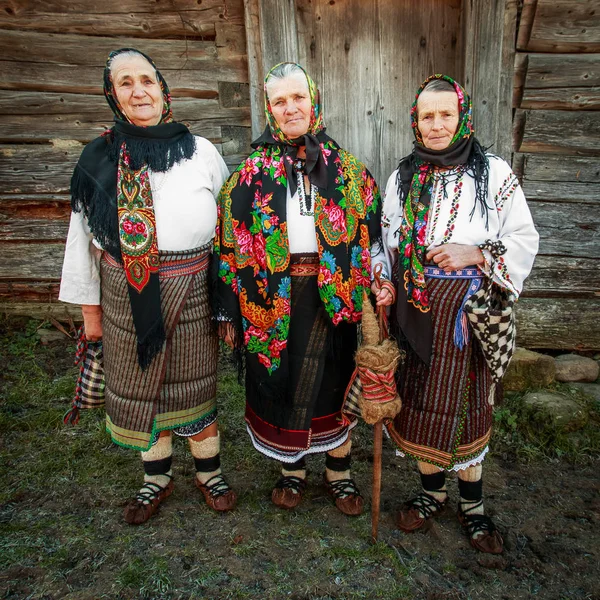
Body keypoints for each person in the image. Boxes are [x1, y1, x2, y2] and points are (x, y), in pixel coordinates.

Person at [59, 48, 236, 524]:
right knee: (143, 390)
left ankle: (209, 473)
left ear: (163, 89)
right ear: (112, 95)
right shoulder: (97, 159)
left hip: (194, 289)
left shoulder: (200, 151)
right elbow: (81, 244)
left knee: (195, 385)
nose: (138, 91)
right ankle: (155, 478)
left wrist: (227, 302)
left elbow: (229, 230)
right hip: (124, 295)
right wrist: (91, 318)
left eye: (146, 80)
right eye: (125, 83)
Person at [373, 74, 538, 553]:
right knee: (423, 406)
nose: (438, 124)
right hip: (416, 316)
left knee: (466, 412)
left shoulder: (494, 174)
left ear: (462, 115)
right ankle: (431, 494)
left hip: (470, 316)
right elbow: (386, 242)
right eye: (429, 116)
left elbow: (524, 239)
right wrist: (384, 279)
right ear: (416, 121)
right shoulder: (402, 177)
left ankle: (474, 506)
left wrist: (476, 253)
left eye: (447, 114)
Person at [212, 62, 386, 515]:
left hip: (336, 297)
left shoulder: (348, 169)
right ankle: (292, 470)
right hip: (273, 300)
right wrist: (230, 311)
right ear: (269, 109)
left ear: (315, 100)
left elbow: (373, 234)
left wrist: (376, 286)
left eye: (298, 98)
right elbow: (228, 245)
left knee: (332, 384)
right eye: (279, 101)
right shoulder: (248, 175)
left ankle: (339, 472)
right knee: (285, 383)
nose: (291, 109)